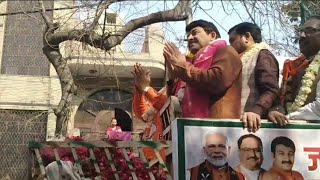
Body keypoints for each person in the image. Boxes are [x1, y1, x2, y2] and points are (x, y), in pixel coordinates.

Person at [134, 19, 242, 120]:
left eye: (195, 33)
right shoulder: (189, 64)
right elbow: (172, 104)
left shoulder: (226, 51)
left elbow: (217, 81)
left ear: (212, 35)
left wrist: (182, 66)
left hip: (215, 129)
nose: (190, 38)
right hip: (188, 130)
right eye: (188, 36)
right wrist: (172, 79)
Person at [228, 22, 280, 132]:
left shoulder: (263, 55)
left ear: (247, 37)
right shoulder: (238, 60)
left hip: (254, 125)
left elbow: (271, 89)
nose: (230, 46)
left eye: (232, 40)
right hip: (240, 123)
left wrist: (256, 111)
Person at [268, 16, 320, 124]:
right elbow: (283, 101)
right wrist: (275, 111)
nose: (302, 36)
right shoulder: (295, 67)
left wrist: (289, 117)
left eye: (309, 31)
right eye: (300, 32)